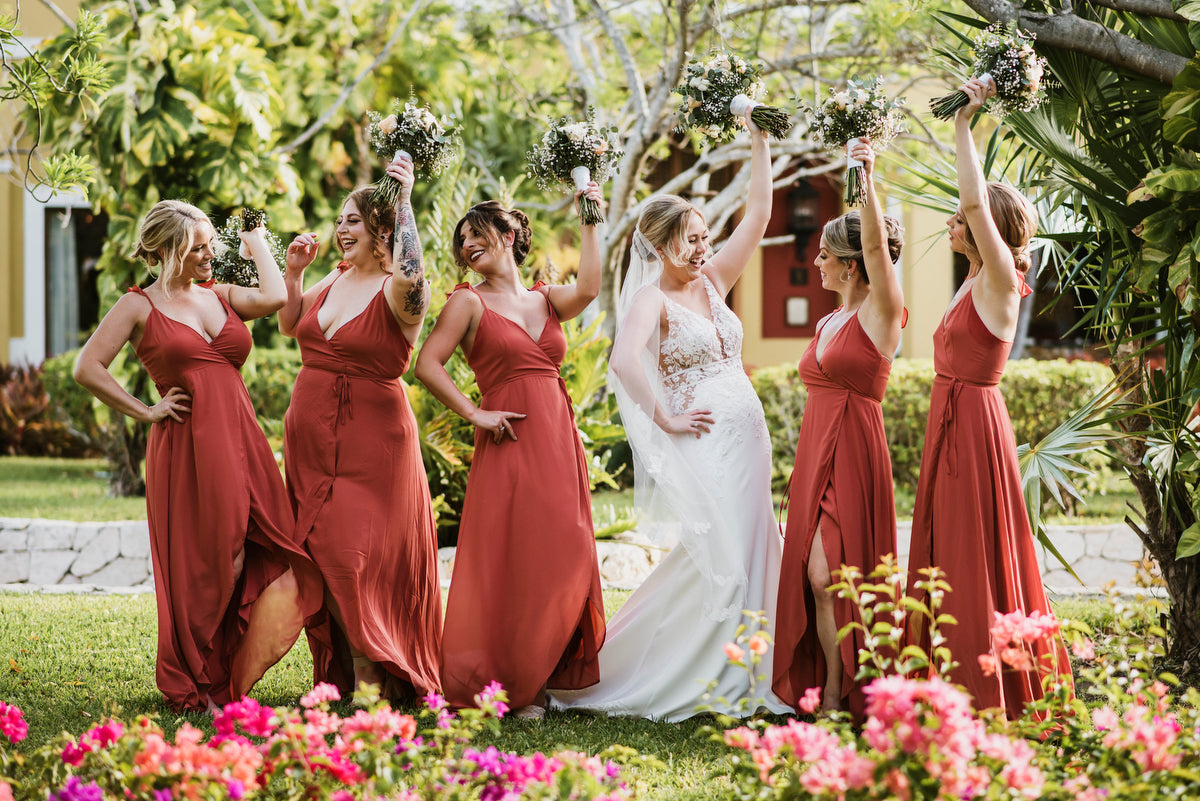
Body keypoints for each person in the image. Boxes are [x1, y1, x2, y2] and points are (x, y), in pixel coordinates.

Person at [551, 114, 790, 721]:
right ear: (659, 247)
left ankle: (754, 667)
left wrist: (758, 135)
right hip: (706, 442)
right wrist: (667, 418)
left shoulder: (714, 281)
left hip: (749, 441)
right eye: (690, 239)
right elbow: (625, 362)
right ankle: (674, 670)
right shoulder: (650, 300)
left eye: (705, 235)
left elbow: (759, 218)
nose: (703, 247)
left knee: (757, 546)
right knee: (722, 559)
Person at [73, 200, 322, 712]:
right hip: (186, 446)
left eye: (212, 243)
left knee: (257, 546)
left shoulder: (220, 294)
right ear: (167, 251)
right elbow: (88, 367)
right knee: (210, 560)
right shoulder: (137, 306)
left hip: (241, 440)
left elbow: (276, 295)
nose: (211, 254)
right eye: (198, 247)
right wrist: (144, 410)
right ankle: (200, 681)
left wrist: (253, 235)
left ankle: (223, 675)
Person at [906, 77, 1073, 717]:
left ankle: (991, 685)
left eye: (963, 216)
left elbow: (975, 203)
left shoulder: (1002, 281)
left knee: (979, 547)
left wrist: (962, 123)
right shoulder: (971, 279)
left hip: (975, 424)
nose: (953, 220)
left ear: (990, 230)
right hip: (949, 422)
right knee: (947, 546)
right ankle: (943, 678)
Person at [414, 187, 607, 719]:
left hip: (556, 438)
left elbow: (590, 286)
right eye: (462, 240)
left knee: (565, 548)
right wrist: (475, 413)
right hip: (508, 441)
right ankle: (514, 686)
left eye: (477, 234)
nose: (467, 245)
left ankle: (540, 670)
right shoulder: (467, 302)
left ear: (507, 236)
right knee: (512, 557)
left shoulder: (545, 300)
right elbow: (427, 365)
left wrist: (590, 214)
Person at [279, 158, 441, 698]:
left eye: (353, 221)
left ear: (383, 233)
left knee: (353, 558)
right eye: (341, 219)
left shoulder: (398, 291)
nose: (341, 229)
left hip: (373, 448)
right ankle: (353, 676)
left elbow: (414, 277)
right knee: (322, 559)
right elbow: (290, 323)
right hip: (310, 443)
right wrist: (296, 274)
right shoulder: (338, 275)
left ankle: (375, 676)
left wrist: (407, 197)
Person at [771, 139, 905, 719]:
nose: (817, 263)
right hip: (814, 453)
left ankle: (839, 695)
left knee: (832, 578)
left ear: (851, 264)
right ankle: (828, 685)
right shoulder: (828, 318)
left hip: (854, 451)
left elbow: (876, 244)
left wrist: (865, 179)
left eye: (826, 256)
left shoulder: (881, 311)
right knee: (814, 576)